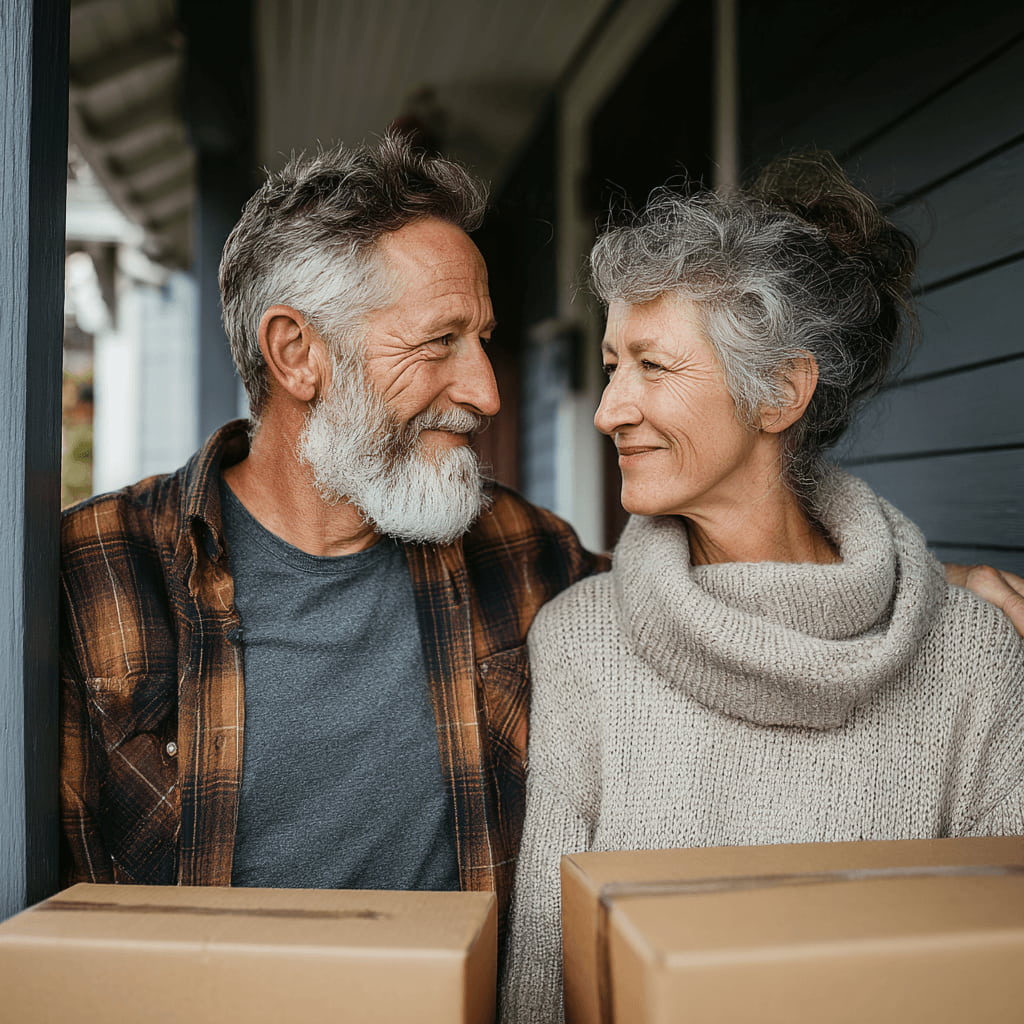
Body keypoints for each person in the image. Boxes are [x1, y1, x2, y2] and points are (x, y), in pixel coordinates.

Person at [501, 153, 1024, 1022]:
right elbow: (542, 983)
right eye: (610, 363)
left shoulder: (971, 658)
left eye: (652, 367)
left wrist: (941, 597)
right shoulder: (579, 645)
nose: (607, 409)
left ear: (779, 392)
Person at [58, 134, 605, 929]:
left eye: (480, 340)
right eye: (438, 341)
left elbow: (694, 622)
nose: (485, 391)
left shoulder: (524, 552)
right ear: (297, 354)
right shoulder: (91, 572)